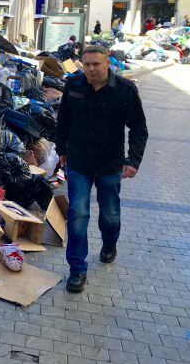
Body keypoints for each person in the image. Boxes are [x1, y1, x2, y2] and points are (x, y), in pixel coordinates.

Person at [56, 45, 148, 293]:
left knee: (110, 214)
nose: (91, 69)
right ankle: (77, 269)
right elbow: (63, 119)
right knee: (78, 214)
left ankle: (109, 243)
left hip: (110, 163)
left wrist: (133, 160)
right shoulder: (73, 85)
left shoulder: (125, 90)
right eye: (86, 64)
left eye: (96, 64)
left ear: (108, 63)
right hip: (79, 161)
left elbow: (139, 128)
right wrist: (61, 148)